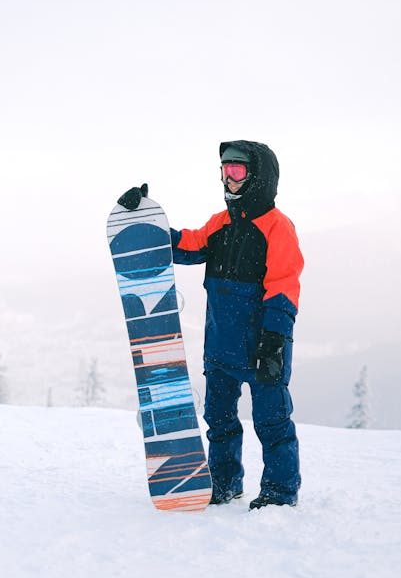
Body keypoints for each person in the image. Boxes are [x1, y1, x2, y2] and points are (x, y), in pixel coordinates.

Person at [119, 140, 304, 510]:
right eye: (225, 171)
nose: (230, 179)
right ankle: (225, 482)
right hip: (221, 343)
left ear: (258, 177)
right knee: (219, 420)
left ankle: (280, 492)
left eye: (238, 171)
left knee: (272, 422)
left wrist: (276, 339)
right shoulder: (220, 224)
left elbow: (284, 284)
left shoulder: (277, 227)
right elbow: (186, 246)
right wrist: (144, 220)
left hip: (262, 344)